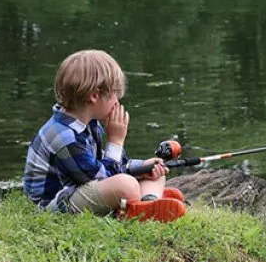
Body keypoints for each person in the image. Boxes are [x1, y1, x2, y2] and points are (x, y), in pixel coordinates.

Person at [23, 49, 186, 222]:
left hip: (85, 186)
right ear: (94, 96)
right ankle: (142, 203)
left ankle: (148, 202)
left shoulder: (89, 124)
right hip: (55, 204)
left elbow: (110, 165)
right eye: (115, 94)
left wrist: (143, 167)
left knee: (154, 170)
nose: (117, 101)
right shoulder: (64, 137)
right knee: (126, 185)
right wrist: (116, 141)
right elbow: (101, 178)